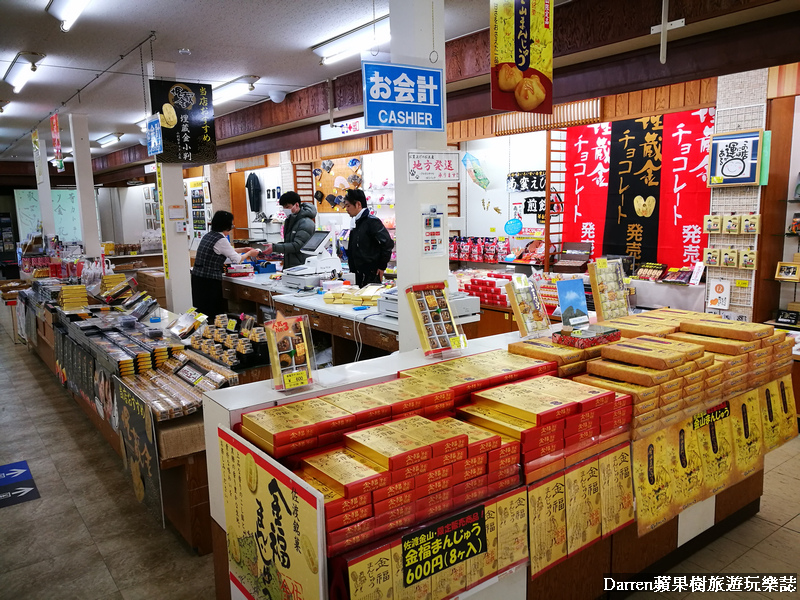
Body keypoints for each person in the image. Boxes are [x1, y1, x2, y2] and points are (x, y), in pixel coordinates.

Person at [191, 210, 259, 318]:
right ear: (226, 225)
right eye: (231, 224)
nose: (232, 227)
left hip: (198, 278)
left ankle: (205, 333)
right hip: (209, 281)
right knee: (213, 312)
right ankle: (215, 333)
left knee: (202, 312)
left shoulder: (209, 235)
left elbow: (226, 251)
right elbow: (237, 260)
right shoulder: (221, 239)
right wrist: (250, 253)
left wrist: (244, 249)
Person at [341, 189, 394, 287]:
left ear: (358, 204)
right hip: (357, 275)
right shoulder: (356, 222)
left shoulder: (372, 222)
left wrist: (382, 266)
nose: (346, 209)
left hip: (371, 275)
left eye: (348, 206)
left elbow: (387, 244)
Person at [262, 191, 317, 269]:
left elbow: (298, 245)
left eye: (287, 207)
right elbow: (289, 242)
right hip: (291, 265)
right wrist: (274, 246)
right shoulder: (290, 220)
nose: (285, 210)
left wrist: (275, 247)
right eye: (283, 207)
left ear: (296, 205)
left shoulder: (306, 223)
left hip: (302, 266)